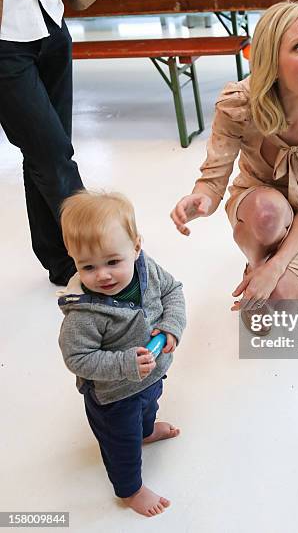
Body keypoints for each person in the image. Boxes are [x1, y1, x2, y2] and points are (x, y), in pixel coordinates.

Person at [171, 1, 298, 318]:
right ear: (272, 61)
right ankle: (263, 264)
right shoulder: (240, 105)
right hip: (261, 202)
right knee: (266, 215)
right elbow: (214, 178)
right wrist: (201, 199)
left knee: (275, 304)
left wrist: (275, 268)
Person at [58, 191, 186, 517]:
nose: (102, 274)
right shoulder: (84, 313)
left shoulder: (147, 270)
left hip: (152, 374)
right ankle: (130, 489)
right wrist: (125, 364)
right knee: (121, 444)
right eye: (88, 266)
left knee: (149, 406)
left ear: (136, 247)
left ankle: (146, 430)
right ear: (73, 259)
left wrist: (171, 327)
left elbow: (173, 291)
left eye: (113, 261)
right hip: (114, 396)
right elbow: (78, 358)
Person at [0, 0, 102, 284]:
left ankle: (61, 262)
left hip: (48, 19)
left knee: (45, 154)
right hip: (5, 41)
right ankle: (101, 257)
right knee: (53, 153)